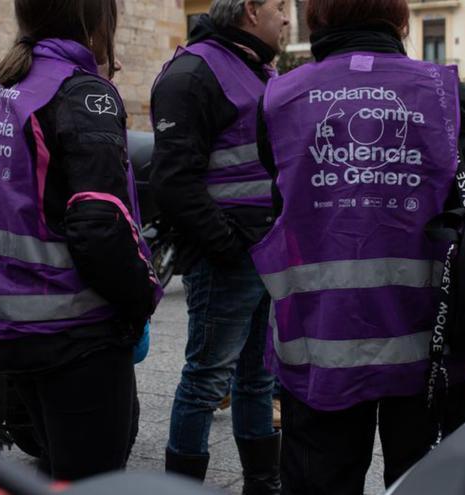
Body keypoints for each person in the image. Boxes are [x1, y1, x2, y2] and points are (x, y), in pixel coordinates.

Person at [253, 0, 465, 493]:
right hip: (432, 344)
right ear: (401, 22)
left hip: (320, 343)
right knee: (433, 485)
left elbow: (283, 203)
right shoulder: (449, 95)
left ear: (315, 19)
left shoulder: (279, 99)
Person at [0, 0, 159, 481]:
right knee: (96, 480)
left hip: (13, 330)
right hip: (75, 334)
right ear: (94, 19)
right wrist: (143, 296)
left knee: (59, 471)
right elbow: (100, 225)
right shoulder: (81, 92)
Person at [150, 0, 287, 491]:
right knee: (205, 381)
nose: (288, 18)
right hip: (229, 258)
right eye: (280, 6)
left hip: (264, 253)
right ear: (251, 10)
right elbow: (173, 179)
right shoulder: (192, 72)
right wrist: (227, 245)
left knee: (256, 380)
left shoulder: (256, 68)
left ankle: (263, 484)